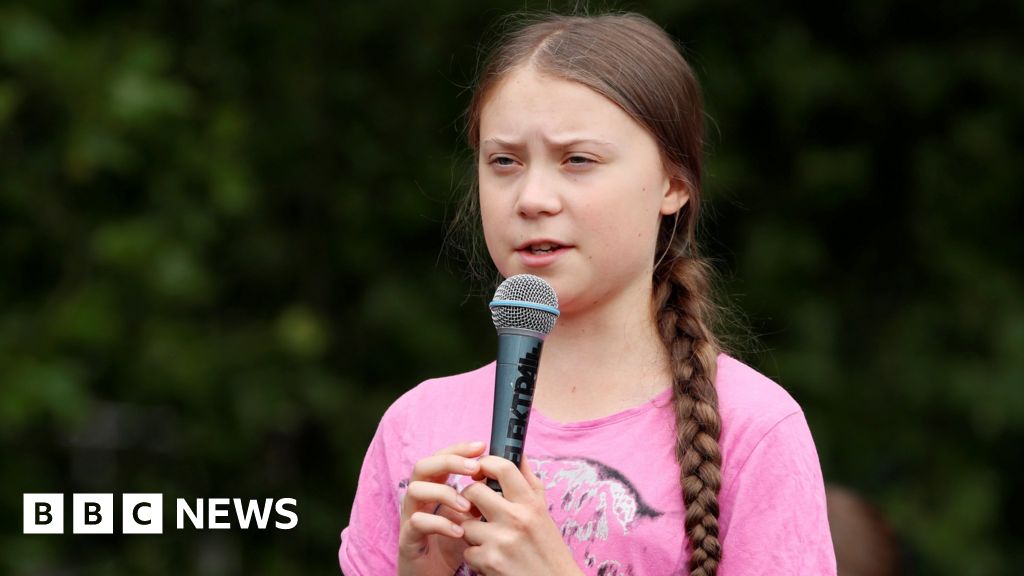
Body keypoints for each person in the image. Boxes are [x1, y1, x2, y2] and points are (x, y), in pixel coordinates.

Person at [339, 11, 836, 576]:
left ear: (674, 184)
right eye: (504, 161)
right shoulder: (416, 424)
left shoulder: (755, 429)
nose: (532, 198)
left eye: (578, 160)